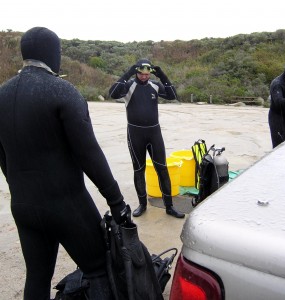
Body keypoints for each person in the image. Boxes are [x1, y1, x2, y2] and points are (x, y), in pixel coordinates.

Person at [0, 27, 128, 300]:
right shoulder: (62, 91)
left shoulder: (1, 94)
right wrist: (116, 202)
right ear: (53, 54)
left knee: (37, 277)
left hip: (23, 205)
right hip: (66, 204)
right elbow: (89, 154)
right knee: (97, 270)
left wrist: (19, 186)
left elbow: (3, 156)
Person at [109, 58, 185, 219]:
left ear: (150, 73)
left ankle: (169, 206)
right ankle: (142, 204)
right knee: (139, 170)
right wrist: (128, 72)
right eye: (141, 74)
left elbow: (172, 95)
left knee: (162, 169)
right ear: (136, 72)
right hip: (135, 133)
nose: (144, 77)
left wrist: (162, 75)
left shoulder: (155, 85)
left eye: (147, 74)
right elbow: (113, 93)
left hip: (154, 133)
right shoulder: (129, 85)